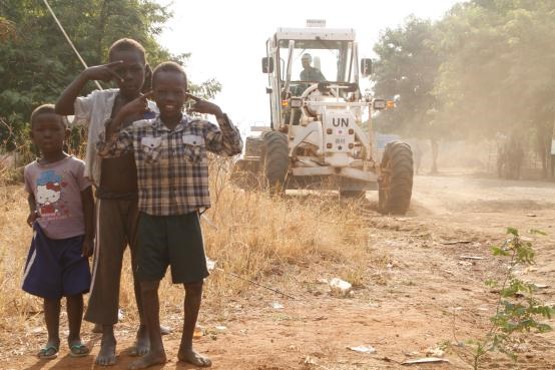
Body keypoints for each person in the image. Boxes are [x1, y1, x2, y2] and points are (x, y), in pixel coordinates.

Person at [97, 61, 243, 369]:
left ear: (186, 93)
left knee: (194, 284)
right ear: (152, 93)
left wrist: (217, 111)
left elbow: (233, 147)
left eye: (177, 92)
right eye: (162, 91)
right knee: (148, 283)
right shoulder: (139, 129)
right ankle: (156, 350)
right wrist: (122, 115)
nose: (169, 98)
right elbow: (106, 151)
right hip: (150, 219)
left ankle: (186, 348)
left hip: (186, 220)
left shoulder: (200, 127)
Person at [55, 38, 161, 366]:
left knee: (146, 267)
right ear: (110, 73)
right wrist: (87, 75)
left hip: (145, 200)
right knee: (106, 268)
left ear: (147, 71)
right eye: (120, 70)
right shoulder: (102, 100)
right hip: (108, 198)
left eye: (135, 70)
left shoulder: (156, 108)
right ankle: (109, 335)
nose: (129, 76)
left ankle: (145, 328)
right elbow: (61, 109)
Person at [22, 104, 94, 360]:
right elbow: (33, 198)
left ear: (65, 132)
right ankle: (52, 339)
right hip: (47, 242)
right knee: (49, 293)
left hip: (75, 240)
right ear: (32, 136)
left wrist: (89, 237)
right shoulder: (30, 170)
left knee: (74, 292)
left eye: (54, 129)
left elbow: (89, 203)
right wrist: (33, 212)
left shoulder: (76, 166)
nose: (48, 134)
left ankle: (74, 337)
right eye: (41, 130)